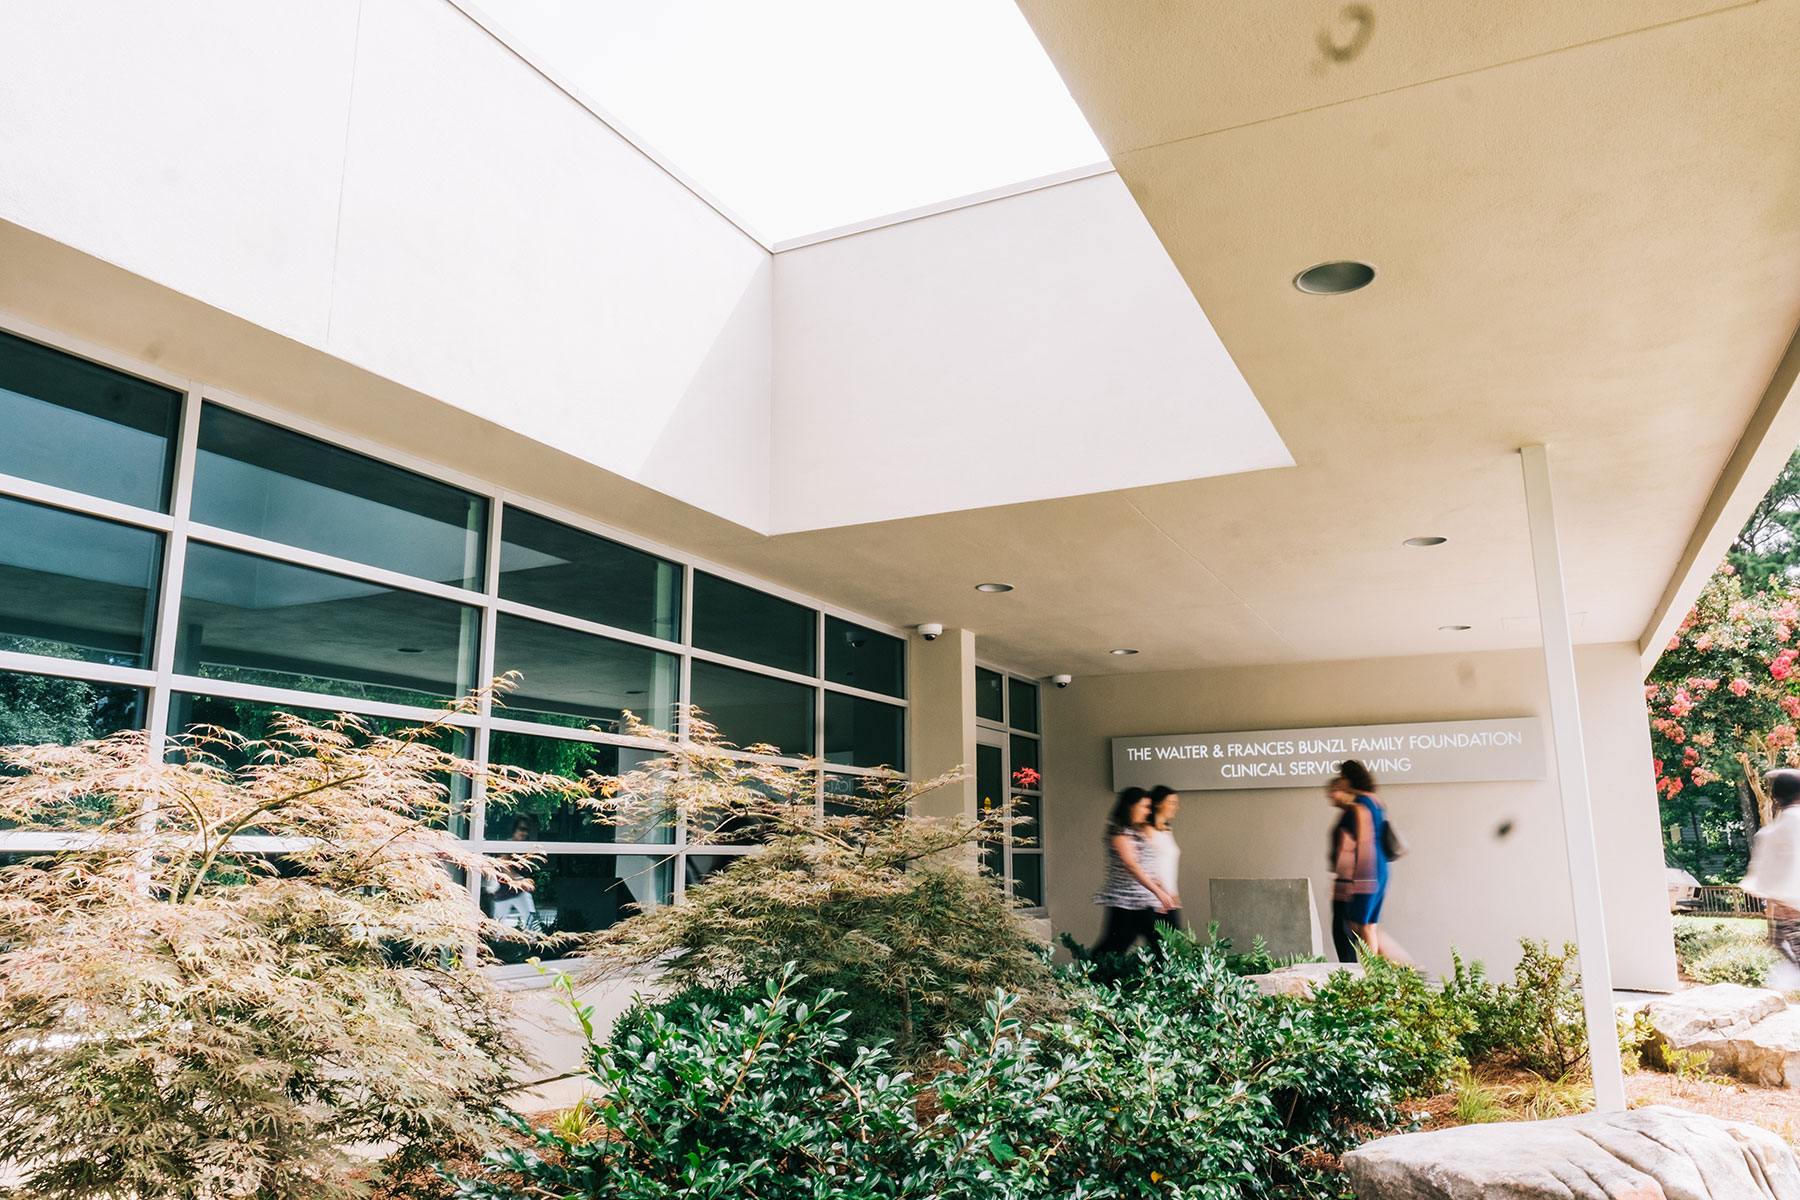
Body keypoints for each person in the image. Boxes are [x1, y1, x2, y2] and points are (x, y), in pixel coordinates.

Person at [1091, 787, 1178, 968]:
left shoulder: (1140, 831)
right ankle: (1088, 977)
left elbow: (1150, 866)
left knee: (1161, 946)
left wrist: (1162, 891)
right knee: (1114, 947)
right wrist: (1159, 893)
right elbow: (1133, 866)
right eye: (1144, 806)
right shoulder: (1119, 833)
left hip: (1145, 902)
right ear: (1131, 807)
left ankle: (1163, 984)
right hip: (1126, 902)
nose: (1148, 811)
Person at [1327, 760, 1403, 963]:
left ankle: (1378, 974)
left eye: (1342, 777)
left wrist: (1360, 880)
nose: (1339, 781)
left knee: (1361, 926)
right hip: (1380, 868)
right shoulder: (1376, 801)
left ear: (1349, 778)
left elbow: (1363, 842)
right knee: (1367, 925)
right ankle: (1389, 972)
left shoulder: (1360, 805)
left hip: (1367, 870)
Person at [1743, 768, 1800, 990]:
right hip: (1790, 905)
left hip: (1790, 908)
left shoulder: (1779, 827)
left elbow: (1766, 864)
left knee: (1783, 946)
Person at [484, 816, 539, 927]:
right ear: (514, 830)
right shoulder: (508, 846)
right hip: (504, 892)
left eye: (526, 830)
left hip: (519, 892)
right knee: (497, 927)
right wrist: (521, 881)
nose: (524, 833)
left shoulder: (523, 847)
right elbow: (505, 867)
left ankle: (535, 942)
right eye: (521, 829)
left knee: (532, 924)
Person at [1147, 785, 1183, 934]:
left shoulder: (1167, 831)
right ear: (1157, 803)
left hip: (1169, 900)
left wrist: (1173, 894)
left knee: (1171, 948)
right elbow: (1145, 865)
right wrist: (1161, 891)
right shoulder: (1147, 830)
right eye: (1172, 802)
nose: (1176, 807)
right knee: (1166, 948)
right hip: (1153, 900)